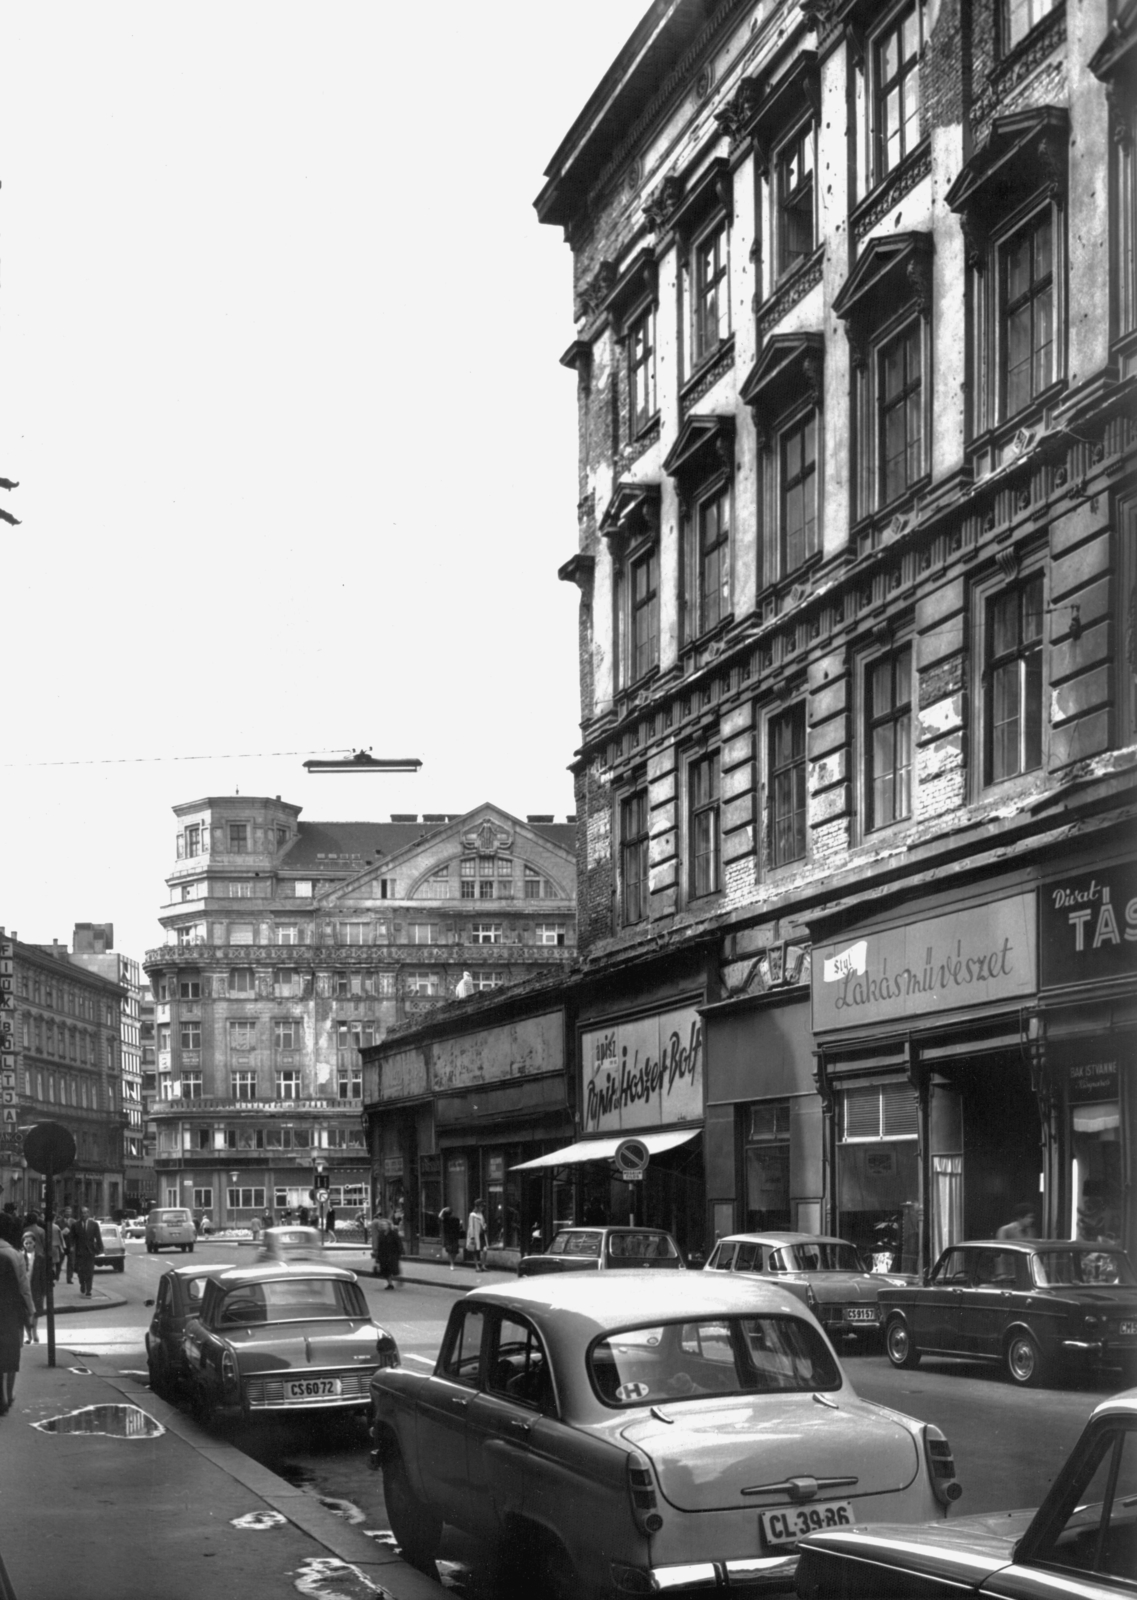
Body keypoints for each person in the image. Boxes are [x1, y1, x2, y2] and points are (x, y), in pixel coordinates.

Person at [0, 1212, 35, 1415]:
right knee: (11, 1354)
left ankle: (0, 1397)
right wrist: (30, 1311)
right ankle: (9, 1393)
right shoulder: (15, 1254)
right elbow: (24, 1287)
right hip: (11, 1311)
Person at [71, 1208, 103, 1298]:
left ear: (88, 1214)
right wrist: (71, 1246)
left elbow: (98, 1237)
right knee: (80, 1271)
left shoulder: (94, 1224)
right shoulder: (75, 1225)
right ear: (80, 1215)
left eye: (85, 1213)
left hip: (90, 1252)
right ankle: (82, 1284)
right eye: (82, 1213)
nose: (83, 1215)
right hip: (79, 1252)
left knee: (89, 1271)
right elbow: (71, 1238)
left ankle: (89, 1289)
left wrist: (100, 1249)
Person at [374, 1217, 403, 1290]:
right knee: (385, 1271)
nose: (383, 1226)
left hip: (392, 1254)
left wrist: (399, 1252)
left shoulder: (393, 1233)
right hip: (383, 1255)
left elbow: (399, 1243)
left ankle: (399, 1279)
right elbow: (379, 1245)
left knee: (394, 1269)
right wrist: (377, 1256)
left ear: (389, 1225)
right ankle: (390, 1284)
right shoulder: (381, 1234)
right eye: (382, 1225)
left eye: (385, 1224)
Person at [466, 1198, 488, 1273]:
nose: (483, 1208)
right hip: (475, 1235)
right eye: (481, 1206)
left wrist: (484, 1226)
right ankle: (477, 1266)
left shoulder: (481, 1214)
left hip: (481, 1234)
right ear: (477, 1206)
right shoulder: (472, 1215)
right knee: (475, 1251)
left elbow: (483, 1223)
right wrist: (472, 1237)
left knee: (484, 1250)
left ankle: (483, 1265)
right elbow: (471, 1226)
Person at [438, 1206, 462, 1270]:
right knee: (455, 1251)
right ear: (452, 1213)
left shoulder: (445, 1220)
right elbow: (459, 1227)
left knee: (449, 1251)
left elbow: (439, 1216)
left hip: (448, 1236)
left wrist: (443, 1209)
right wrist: (460, 1224)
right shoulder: (456, 1219)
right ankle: (452, 1262)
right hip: (455, 1236)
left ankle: (452, 1264)